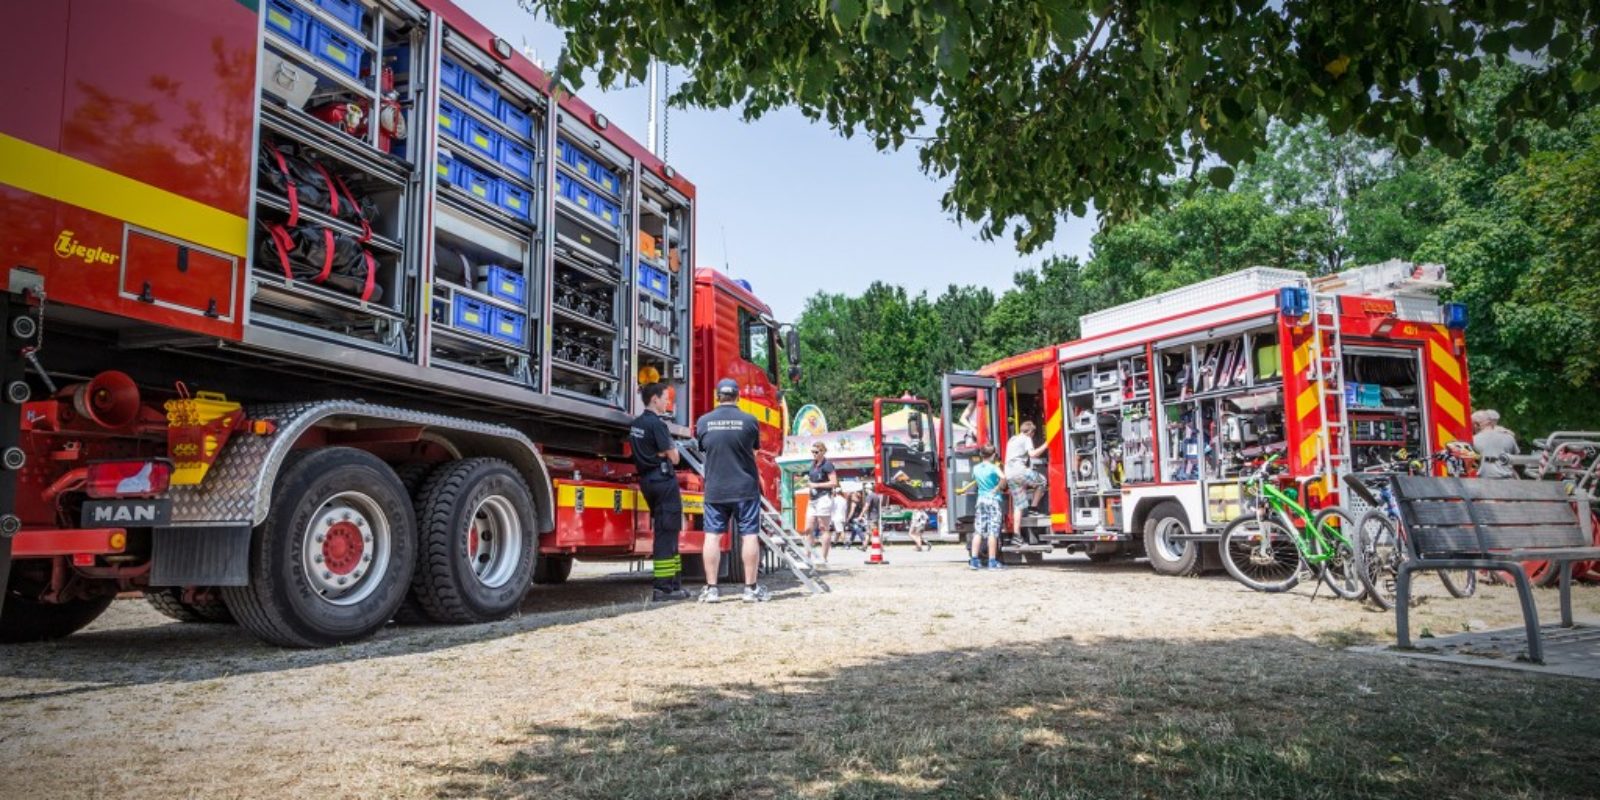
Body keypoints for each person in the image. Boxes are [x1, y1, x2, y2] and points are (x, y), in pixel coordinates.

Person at [694, 378, 769, 603]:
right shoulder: (749, 421)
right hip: (745, 488)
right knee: (749, 535)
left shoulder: (704, 421)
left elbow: (703, 449)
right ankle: (750, 589)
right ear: (738, 396)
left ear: (718, 397)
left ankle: (712, 589)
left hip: (716, 489)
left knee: (712, 536)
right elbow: (754, 451)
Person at [631, 382, 688, 601]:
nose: (667, 402)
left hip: (647, 481)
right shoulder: (658, 425)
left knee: (665, 532)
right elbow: (674, 457)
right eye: (665, 398)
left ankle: (673, 586)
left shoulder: (636, 424)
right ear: (654, 399)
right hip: (664, 481)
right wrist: (667, 453)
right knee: (668, 535)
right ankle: (665, 588)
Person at [963, 444, 1006, 570]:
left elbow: (974, 480)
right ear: (993, 455)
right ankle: (992, 562)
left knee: (979, 531)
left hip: (981, 500)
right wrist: (997, 488)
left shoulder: (976, 468)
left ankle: (974, 560)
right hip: (993, 499)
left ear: (981, 455)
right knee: (993, 531)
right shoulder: (993, 467)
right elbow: (1004, 479)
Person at [1005, 420, 1049, 534]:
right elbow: (1033, 454)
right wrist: (1046, 444)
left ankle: (1017, 535)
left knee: (1018, 506)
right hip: (1019, 471)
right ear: (1031, 432)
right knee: (1042, 481)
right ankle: (1033, 509)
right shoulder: (1026, 438)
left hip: (1009, 473)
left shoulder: (1012, 439)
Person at [803, 442, 840, 565]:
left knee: (824, 527)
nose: (814, 454)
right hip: (812, 498)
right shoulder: (812, 464)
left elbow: (834, 482)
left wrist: (817, 485)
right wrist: (807, 482)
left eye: (816, 452)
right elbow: (811, 480)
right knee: (808, 528)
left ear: (823, 452)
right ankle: (806, 557)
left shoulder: (827, 465)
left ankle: (823, 558)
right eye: (812, 452)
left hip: (824, 497)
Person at [1472, 409, 1519, 479]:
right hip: (1507, 481)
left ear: (1476, 425)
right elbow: (1516, 459)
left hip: (1484, 481)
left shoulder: (1474, 440)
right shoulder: (1509, 437)